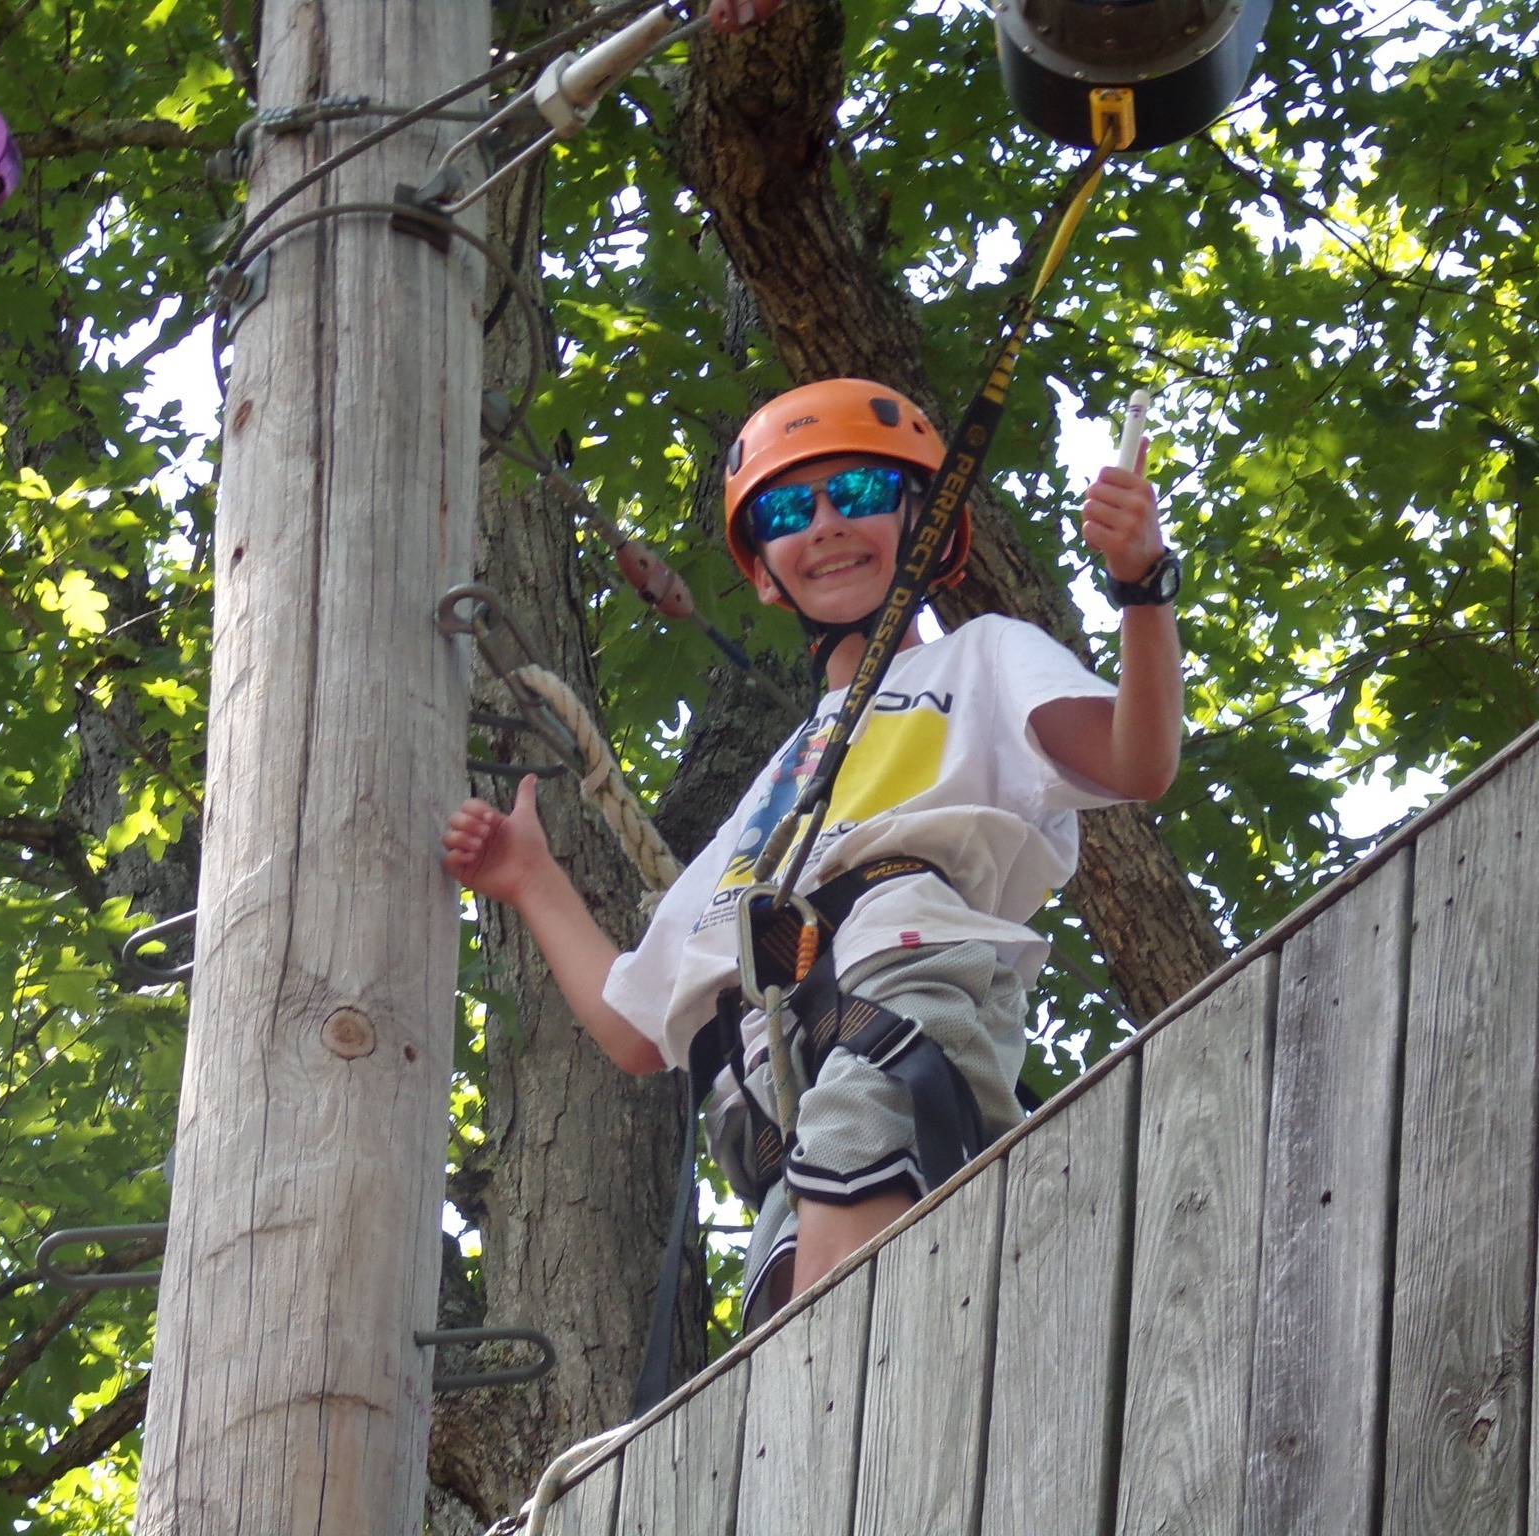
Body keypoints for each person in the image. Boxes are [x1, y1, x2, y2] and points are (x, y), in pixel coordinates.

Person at [443, 378, 1183, 1326]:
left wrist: (1141, 590)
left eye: (863, 495)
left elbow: (1138, 757)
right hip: (772, 1083)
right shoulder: (778, 790)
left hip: (902, 987)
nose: (828, 523)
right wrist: (530, 879)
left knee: (850, 1184)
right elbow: (636, 1029)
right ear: (763, 570)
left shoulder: (977, 658)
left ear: (928, 528)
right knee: (783, 1308)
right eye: (794, 508)